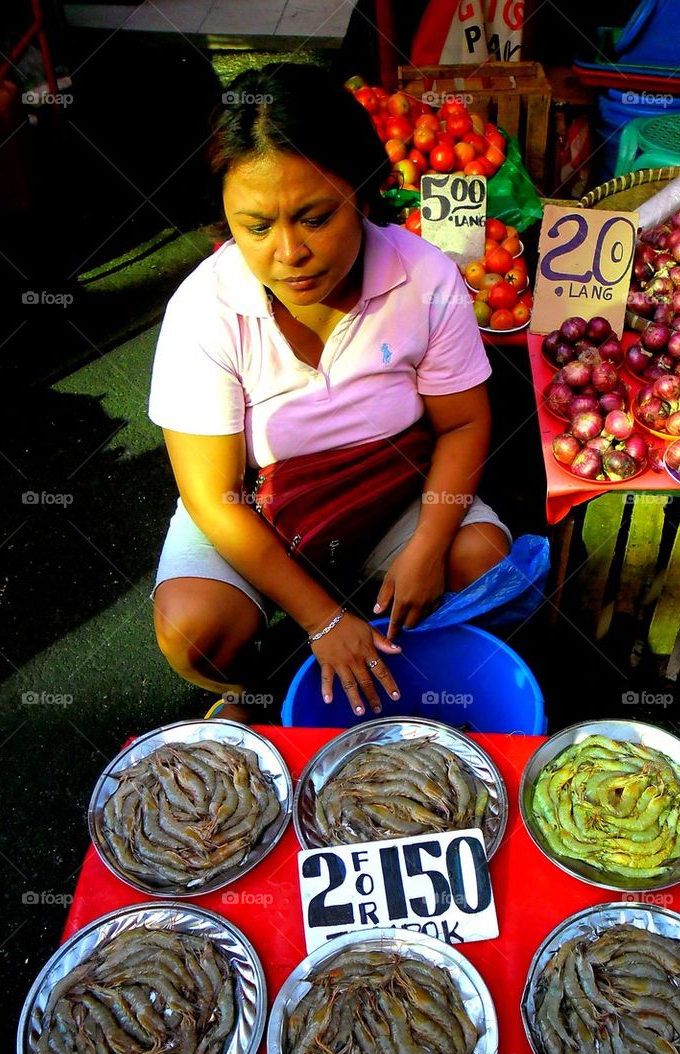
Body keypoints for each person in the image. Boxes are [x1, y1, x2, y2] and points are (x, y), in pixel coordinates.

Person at [148, 63, 511, 721]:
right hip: (263, 506)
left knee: (479, 559)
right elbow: (214, 495)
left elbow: (462, 424)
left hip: (392, 486)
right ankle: (254, 688)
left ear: (364, 195)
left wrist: (427, 547)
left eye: (315, 218)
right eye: (255, 227)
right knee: (195, 626)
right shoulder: (203, 309)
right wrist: (319, 620)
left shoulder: (424, 274)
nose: (289, 251)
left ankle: (399, 648)